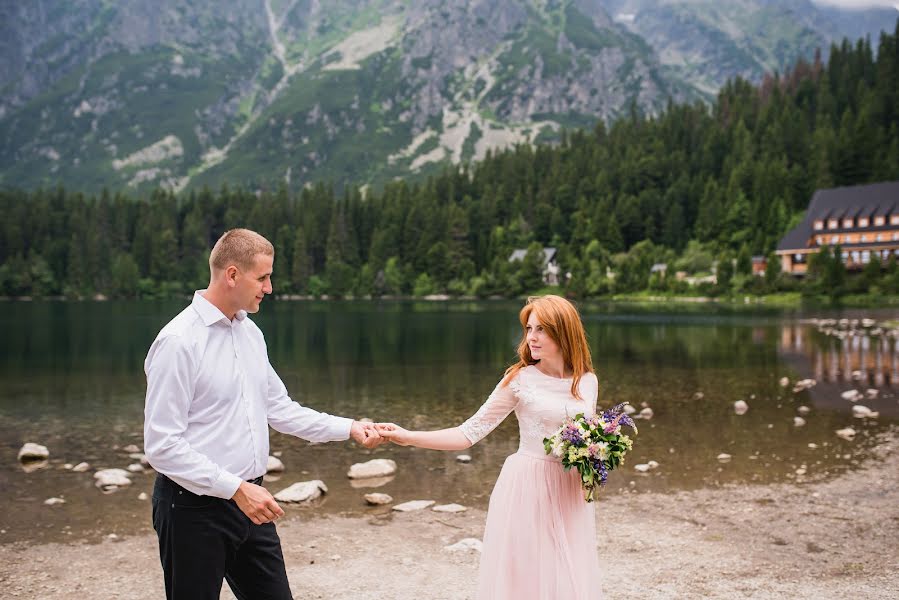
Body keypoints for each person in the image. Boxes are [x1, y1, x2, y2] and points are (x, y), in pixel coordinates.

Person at [143, 228, 382, 600]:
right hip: (191, 509)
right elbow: (161, 446)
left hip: (251, 501)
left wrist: (350, 427)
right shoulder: (178, 342)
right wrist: (236, 489)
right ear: (232, 275)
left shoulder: (249, 333)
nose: (269, 288)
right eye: (263, 277)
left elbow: (279, 409)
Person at [377, 295, 602, 599]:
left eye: (541, 330)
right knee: (528, 578)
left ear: (564, 332)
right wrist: (408, 436)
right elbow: (468, 433)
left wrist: (597, 454)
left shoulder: (587, 381)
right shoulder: (519, 379)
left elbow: (586, 435)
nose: (531, 337)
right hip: (528, 487)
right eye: (528, 328)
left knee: (567, 572)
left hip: (570, 488)